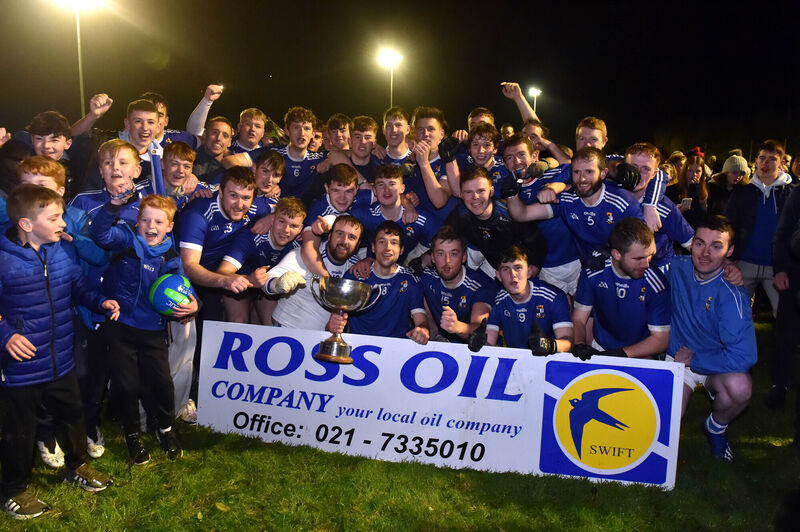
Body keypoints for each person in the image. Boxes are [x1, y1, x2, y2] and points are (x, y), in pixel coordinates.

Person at [1, 185, 118, 519]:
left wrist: (99, 301)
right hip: (20, 366)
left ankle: (77, 466)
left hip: (61, 358)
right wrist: (4, 334)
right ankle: (14, 490)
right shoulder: (4, 258)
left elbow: (77, 285)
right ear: (26, 224)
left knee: (72, 415)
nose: (63, 223)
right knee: (19, 430)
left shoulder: (62, 251)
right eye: (54, 217)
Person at [90, 194, 198, 463]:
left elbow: (183, 287)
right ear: (137, 223)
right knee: (127, 385)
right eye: (146, 220)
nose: (151, 226)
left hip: (152, 331)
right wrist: (112, 207)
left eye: (158, 221)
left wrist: (194, 304)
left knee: (162, 382)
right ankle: (132, 434)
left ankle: (165, 429)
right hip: (120, 326)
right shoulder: (126, 241)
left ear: (169, 226)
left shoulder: (170, 257)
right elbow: (99, 233)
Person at [666, 215, 757, 461]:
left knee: (740, 387)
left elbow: (745, 356)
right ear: (691, 243)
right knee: (665, 420)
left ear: (730, 251)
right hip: (677, 356)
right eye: (699, 243)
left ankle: (715, 428)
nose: (705, 253)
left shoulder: (732, 294)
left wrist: (696, 359)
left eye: (716, 246)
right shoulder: (677, 268)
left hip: (714, 363)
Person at [508, 146, 644, 267]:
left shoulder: (622, 200)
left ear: (603, 173)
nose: (582, 179)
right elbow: (523, 214)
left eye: (589, 172)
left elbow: (644, 242)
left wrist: (610, 251)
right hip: (587, 269)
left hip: (621, 268)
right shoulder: (568, 199)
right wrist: (512, 194)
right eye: (577, 172)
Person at [570, 218, 671, 360]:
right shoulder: (593, 273)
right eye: (639, 258)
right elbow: (579, 319)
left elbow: (661, 340)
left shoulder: (655, 283)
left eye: (650, 255)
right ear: (616, 254)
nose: (647, 264)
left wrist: (621, 354)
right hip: (599, 346)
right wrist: (580, 345)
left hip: (639, 353)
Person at [501, 134, 580, 295]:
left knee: (585, 313)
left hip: (576, 259)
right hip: (546, 266)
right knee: (560, 315)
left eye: (521, 154)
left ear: (535, 155)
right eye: (510, 157)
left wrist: (556, 184)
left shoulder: (552, 175)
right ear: (504, 163)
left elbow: (575, 169)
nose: (516, 162)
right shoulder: (507, 189)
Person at [725, 139, 795, 317]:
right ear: (756, 161)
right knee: (735, 314)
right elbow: (729, 226)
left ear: (782, 163)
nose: (766, 163)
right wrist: (730, 257)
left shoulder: (792, 193)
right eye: (762, 158)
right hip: (744, 264)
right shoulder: (742, 192)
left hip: (777, 268)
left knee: (786, 316)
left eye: (772, 159)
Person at [263, 214, 364, 330]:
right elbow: (267, 279)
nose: (344, 241)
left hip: (320, 338)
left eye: (352, 237)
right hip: (286, 330)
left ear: (358, 244)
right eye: (340, 233)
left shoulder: (356, 267)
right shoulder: (306, 254)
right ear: (330, 236)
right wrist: (277, 284)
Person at [217, 197, 306, 324]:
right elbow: (222, 272)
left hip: (268, 291)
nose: (286, 230)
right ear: (272, 219)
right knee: (238, 322)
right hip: (241, 285)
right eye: (282, 221)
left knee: (271, 324)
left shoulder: (298, 247)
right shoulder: (252, 237)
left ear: (300, 229)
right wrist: (248, 279)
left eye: (293, 226)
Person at [339, 221, 429, 343]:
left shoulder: (410, 280)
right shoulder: (354, 275)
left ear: (401, 250)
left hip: (396, 348)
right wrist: (334, 326)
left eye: (394, 243)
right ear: (373, 247)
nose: (387, 248)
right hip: (357, 346)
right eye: (382, 242)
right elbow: (334, 322)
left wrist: (422, 330)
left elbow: (421, 320)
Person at [445, 166, 546, 276]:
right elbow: (442, 240)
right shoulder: (460, 214)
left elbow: (539, 246)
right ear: (461, 195)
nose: (475, 197)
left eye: (481, 191)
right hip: (492, 267)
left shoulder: (510, 214)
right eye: (468, 192)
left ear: (491, 192)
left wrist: (533, 270)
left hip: (519, 271)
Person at [486, 246, 573, 354]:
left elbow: (568, 342)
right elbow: (489, 343)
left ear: (529, 272)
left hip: (549, 361)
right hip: (514, 363)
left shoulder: (553, 296)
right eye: (505, 269)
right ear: (498, 276)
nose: (512, 275)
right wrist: (479, 344)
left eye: (518, 268)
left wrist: (549, 345)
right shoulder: (497, 299)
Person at [419, 226, 495, 343]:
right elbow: (427, 316)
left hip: (474, 349)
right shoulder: (426, 278)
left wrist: (458, 327)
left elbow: (479, 328)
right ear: (432, 258)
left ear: (463, 257)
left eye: (453, 254)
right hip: (440, 343)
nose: (447, 261)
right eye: (440, 254)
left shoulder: (480, 285)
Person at [625, 143, 694, 270]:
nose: (638, 173)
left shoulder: (664, 208)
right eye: (633, 166)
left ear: (654, 174)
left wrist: (725, 264)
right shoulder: (611, 195)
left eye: (646, 169)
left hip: (656, 272)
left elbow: (691, 243)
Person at [669, 154, 708, 228]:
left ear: (702, 173)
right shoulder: (672, 190)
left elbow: (701, 216)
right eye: (690, 171)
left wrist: (695, 189)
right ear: (685, 172)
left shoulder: (704, 191)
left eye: (698, 171)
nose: (694, 175)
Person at [192, 116, 233, 185]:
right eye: (214, 132)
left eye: (225, 135)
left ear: (229, 142)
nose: (219, 138)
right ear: (204, 134)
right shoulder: (187, 160)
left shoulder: (230, 171)